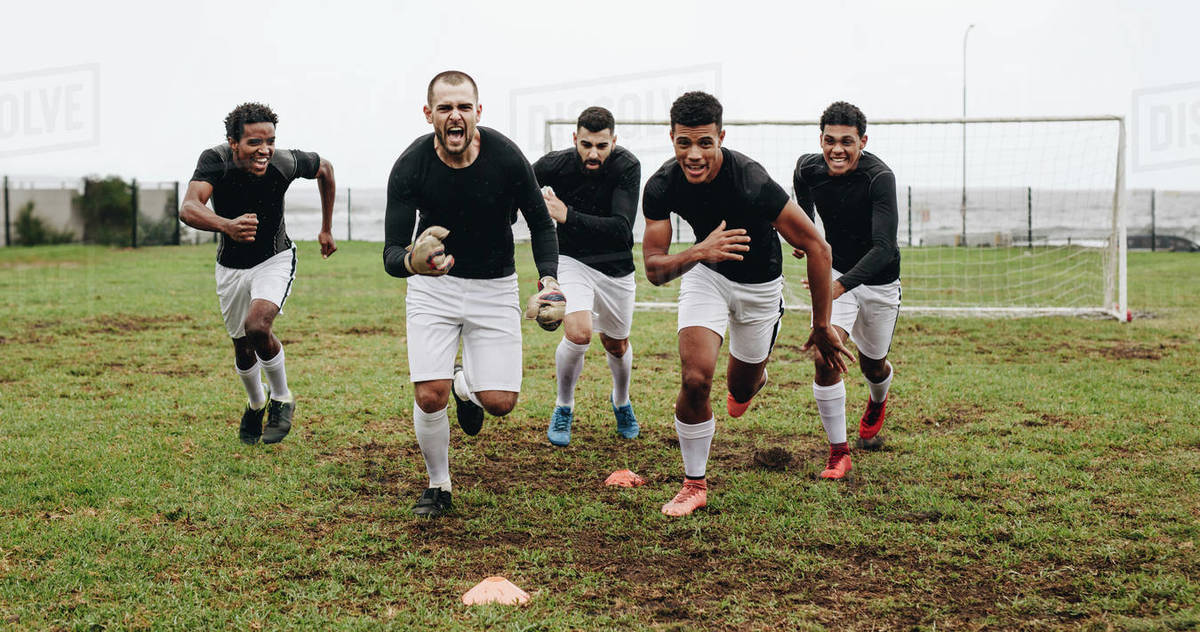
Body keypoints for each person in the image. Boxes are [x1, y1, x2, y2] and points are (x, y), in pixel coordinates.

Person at [642, 91, 852, 517]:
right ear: (672, 138)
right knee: (696, 380)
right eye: (684, 143)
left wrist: (821, 324)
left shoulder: (751, 181)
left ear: (721, 137)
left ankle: (755, 379)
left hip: (760, 290)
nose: (694, 154)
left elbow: (817, 246)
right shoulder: (662, 185)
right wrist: (698, 253)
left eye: (705, 143)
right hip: (707, 278)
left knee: (739, 390)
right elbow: (654, 270)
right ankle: (694, 484)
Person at [384, 70, 559, 518]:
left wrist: (550, 281)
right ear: (429, 115)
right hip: (432, 290)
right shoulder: (410, 165)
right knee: (428, 396)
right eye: (445, 108)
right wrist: (412, 262)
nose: (455, 115)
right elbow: (391, 251)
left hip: (495, 287)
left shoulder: (505, 157)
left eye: (464, 107)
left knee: (501, 403)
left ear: (478, 112)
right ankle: (438, 485)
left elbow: (541, 223)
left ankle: (466, 386)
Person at [180, 102, 336, 446]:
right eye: (254, 142)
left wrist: (326, 228)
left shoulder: (284, 162)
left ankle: (281, 398)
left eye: (270, 141)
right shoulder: (215, 161)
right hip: (230, 268)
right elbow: (189, 207)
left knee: (257, 326)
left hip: (274, 258)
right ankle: (256, 403)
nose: (264, 150)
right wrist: (227, 226)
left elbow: (325, 169)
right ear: (233, 142)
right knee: (242, 347)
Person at [793, 101, 901, 480]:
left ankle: (877, 398)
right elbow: (801, 186)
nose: (837, 149)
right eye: (829, 140)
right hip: (837, 274)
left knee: (872, 364)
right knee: (826, 354)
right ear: (820, 139)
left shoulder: (879, 178)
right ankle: (838, 452)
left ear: (862, 141)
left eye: (847, 141)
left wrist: (839, 285)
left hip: (879, 282)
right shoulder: (810, 167)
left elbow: (884, 248)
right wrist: (806, 232)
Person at [532, 106, 641, 447]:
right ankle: (564, 406)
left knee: (616, 343)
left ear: (614, 142)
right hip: (572, 261)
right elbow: (519, 188)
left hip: (616, 268)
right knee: (579, 334)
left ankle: (621, 401)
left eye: (601, 145)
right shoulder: (555, 164)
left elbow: (622, 230)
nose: (593, 153)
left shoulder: (627, 166)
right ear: (574, 139)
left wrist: (567, 215)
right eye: (586, 144)